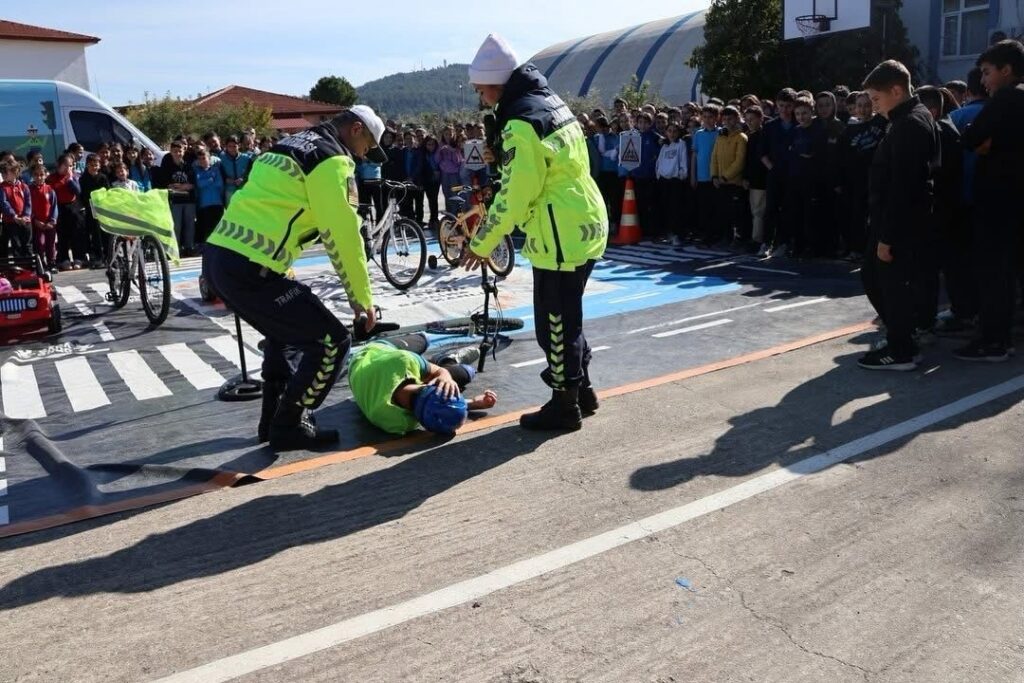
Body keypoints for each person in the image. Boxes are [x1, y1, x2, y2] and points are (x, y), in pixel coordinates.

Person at [204, 105, 386, 450]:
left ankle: (272, 421)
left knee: (283, 336)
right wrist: (362, 300)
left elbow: (270, 206)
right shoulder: (331, 159)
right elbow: (343, 233)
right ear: (357, 129)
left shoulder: (287, 145)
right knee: (331, 342)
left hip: (220, 257)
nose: (364, 157)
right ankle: (289, 424)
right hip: (248, 267)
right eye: (368, 148)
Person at [462, 33, 608, 431]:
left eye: (481, 90)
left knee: (555, 325)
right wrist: (502, 157)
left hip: (559, 230)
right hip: (583, 221)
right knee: (568, 317)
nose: (481, 99)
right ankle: (585, 391)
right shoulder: (548, 102)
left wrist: (482, 242)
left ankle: (565, 407)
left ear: (496, 83)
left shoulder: (521, 122)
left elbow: (514, 193)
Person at [859, 60, 940, 371]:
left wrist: (887, 237)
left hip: (900, 223)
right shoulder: (905, 118)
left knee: (888, 282)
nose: (873, 106)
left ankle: (902, 348)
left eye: (876, 99)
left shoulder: (911, 124)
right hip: (894, 218)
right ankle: (901, 336)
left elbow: (904, 187)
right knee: (877, 277)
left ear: (896, 90)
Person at [954, 40, 1024, 362]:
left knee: (994, 271)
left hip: (998, 199)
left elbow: (969, 137)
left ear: (1006, 70)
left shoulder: (1008, 97)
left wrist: (982, 139)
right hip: (1014, 199)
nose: (983, 81)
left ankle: (995, 341)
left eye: (986, 72)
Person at [348, 334, 497, 436]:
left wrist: (444, 375)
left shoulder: (403, 361)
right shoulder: (396, 421)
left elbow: (432, 406)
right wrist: (473, 403)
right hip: (374, 363)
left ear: (427, 384)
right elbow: (433, 408)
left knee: (424, 341)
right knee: (464, 372)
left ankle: (442, 361)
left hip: (370, 354)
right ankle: (445, 360)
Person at [941, 67, 988, 334]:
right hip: (993, 201)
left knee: (959, 262)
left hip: (961, 199)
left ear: (968, 92)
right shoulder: (1003, 113)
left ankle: (964, 311)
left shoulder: (956, 117)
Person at [762, 89, 798, 259]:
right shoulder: (770, 126)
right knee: (770, 209)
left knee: (789, 209)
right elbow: (762, 152)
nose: (784, 109)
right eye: (782, 105)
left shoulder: (799, 125)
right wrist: (772, 168)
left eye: (788, 106)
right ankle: (766, 242)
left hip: (792, 175)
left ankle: (783, 243)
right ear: (776, 105)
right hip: (774, 174)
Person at [711, 105, 748, 248]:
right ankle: (725, 238)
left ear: (737, 119)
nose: (727, 121)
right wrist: (714, 175)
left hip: (734, 183)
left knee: (736, 214)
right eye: (725, 119)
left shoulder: (741, 137)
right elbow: (714, 156)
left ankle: (738, 240)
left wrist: (725, 177)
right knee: (723, 212)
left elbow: (739, 161)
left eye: (730, 119)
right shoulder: (720, 136)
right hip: (720, 182)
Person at [156, 140, 197, 256]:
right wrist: (182, 187)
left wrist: (181, 186)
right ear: (171, 152)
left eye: (180, 151)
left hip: (189, 200)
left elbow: (192, 184)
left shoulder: (188, 166)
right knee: (176, 226)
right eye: (175, 151)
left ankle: (189, 247)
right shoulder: (167, 167)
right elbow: (168, 185)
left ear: (183, 151)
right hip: (175, 201)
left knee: (190, 225)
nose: (178, 153)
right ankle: (176, 248)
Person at [47, 154, 85, 270]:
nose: (70, 168)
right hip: (59, 208)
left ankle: (78, 258)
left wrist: (69, 179)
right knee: (63, 235)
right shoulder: (51, 178)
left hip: (73, 207)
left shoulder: (73, 177)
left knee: (76, 234)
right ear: (60, 165)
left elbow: (77, 191)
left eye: (71, 166)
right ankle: (63, 259)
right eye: (67, 165)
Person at [691, 104, 720, 245]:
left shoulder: (720, 133)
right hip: (701, 177)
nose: (708, 120)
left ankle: (716, 234)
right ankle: (706, 235)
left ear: (716, 118)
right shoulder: (698, 134)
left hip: (716, 176)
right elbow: (694, 155)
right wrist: (693, 175)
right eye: (705, 117)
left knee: (716, 207)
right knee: (704, 208)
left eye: (711, 117)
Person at [655, 122, 688, 245]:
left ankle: (676, 234)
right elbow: (659, 162)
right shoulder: (665, 146)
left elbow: (683, 161)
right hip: (664, 180)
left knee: (676, 209)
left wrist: (681, 174)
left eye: (675, 131)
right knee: (665, 208)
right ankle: (668, 233)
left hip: (675, 180)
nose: (672, 133)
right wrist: (658, 175)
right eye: (669, 131)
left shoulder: (681, 144)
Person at [743, 106, 768, 254]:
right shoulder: (749, 135)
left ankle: (757, 240)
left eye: (752, 119)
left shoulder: (762, 135)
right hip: (752, 179)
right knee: (755, 211)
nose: (749, 122)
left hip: (760, 178)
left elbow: (756, 159)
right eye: (747, 120)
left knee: (758, 211)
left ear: (761, 119)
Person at [78, 154, 110, 267]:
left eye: (96, 165)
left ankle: (108, 256)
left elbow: (107, 192)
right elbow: (81, 195)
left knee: (105, 233)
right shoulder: (83, 179)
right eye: (91, 165)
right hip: (89, 209)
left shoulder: (103, 177)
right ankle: (97, 256)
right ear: (87, 165)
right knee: (95, 235)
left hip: (102, 208)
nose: (94, 167)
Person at [193, 145, 225, 245]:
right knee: (206, 228)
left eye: (204, 158)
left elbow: (219, 184)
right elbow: (199, 184)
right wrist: (211, 179)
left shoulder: (215, 169)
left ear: (209, 158)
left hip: (217, 203)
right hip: (204, 204)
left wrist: (207, 181)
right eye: (199, 159)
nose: (202, 161)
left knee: (217, 227)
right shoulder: (197, 171)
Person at [1, 160, 33, 259]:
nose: (4, 174)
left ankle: (29, 266)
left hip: (25, 221)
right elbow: (4, 203)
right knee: (17, 245)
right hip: (11, 221)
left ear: (15, 172)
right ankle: (19, 269)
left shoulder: (24, 186)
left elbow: (28, 203)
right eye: (2, 172)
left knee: (27, 244)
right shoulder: (2, 187)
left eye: (6, 172)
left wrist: (26, 216)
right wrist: (14, 216)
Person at [29, 164, 58, 270]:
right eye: (36, 175)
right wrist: (35, 220)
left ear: (46, 175)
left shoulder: (50, 189)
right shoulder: (30, 190)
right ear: (32, 175)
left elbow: (54, 206)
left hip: (49, 223)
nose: (39, 177)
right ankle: (41, 263)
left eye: (41, 175)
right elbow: (28, 206)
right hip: (37, 223)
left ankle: (52, 262)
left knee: (51, 243)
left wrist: (52, 220)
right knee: (40, 243)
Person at [219, 135, 251, 206]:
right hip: (229, 190)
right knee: (230, 211)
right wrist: (225, 179)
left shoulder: (246, 158)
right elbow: (219, 172)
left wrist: (243, 178)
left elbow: (249, 172)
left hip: (243, 189)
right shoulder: (222, 158)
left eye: (234, 146)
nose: (232, 149)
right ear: (226, 147)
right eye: (229, 146)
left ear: (239, 145)